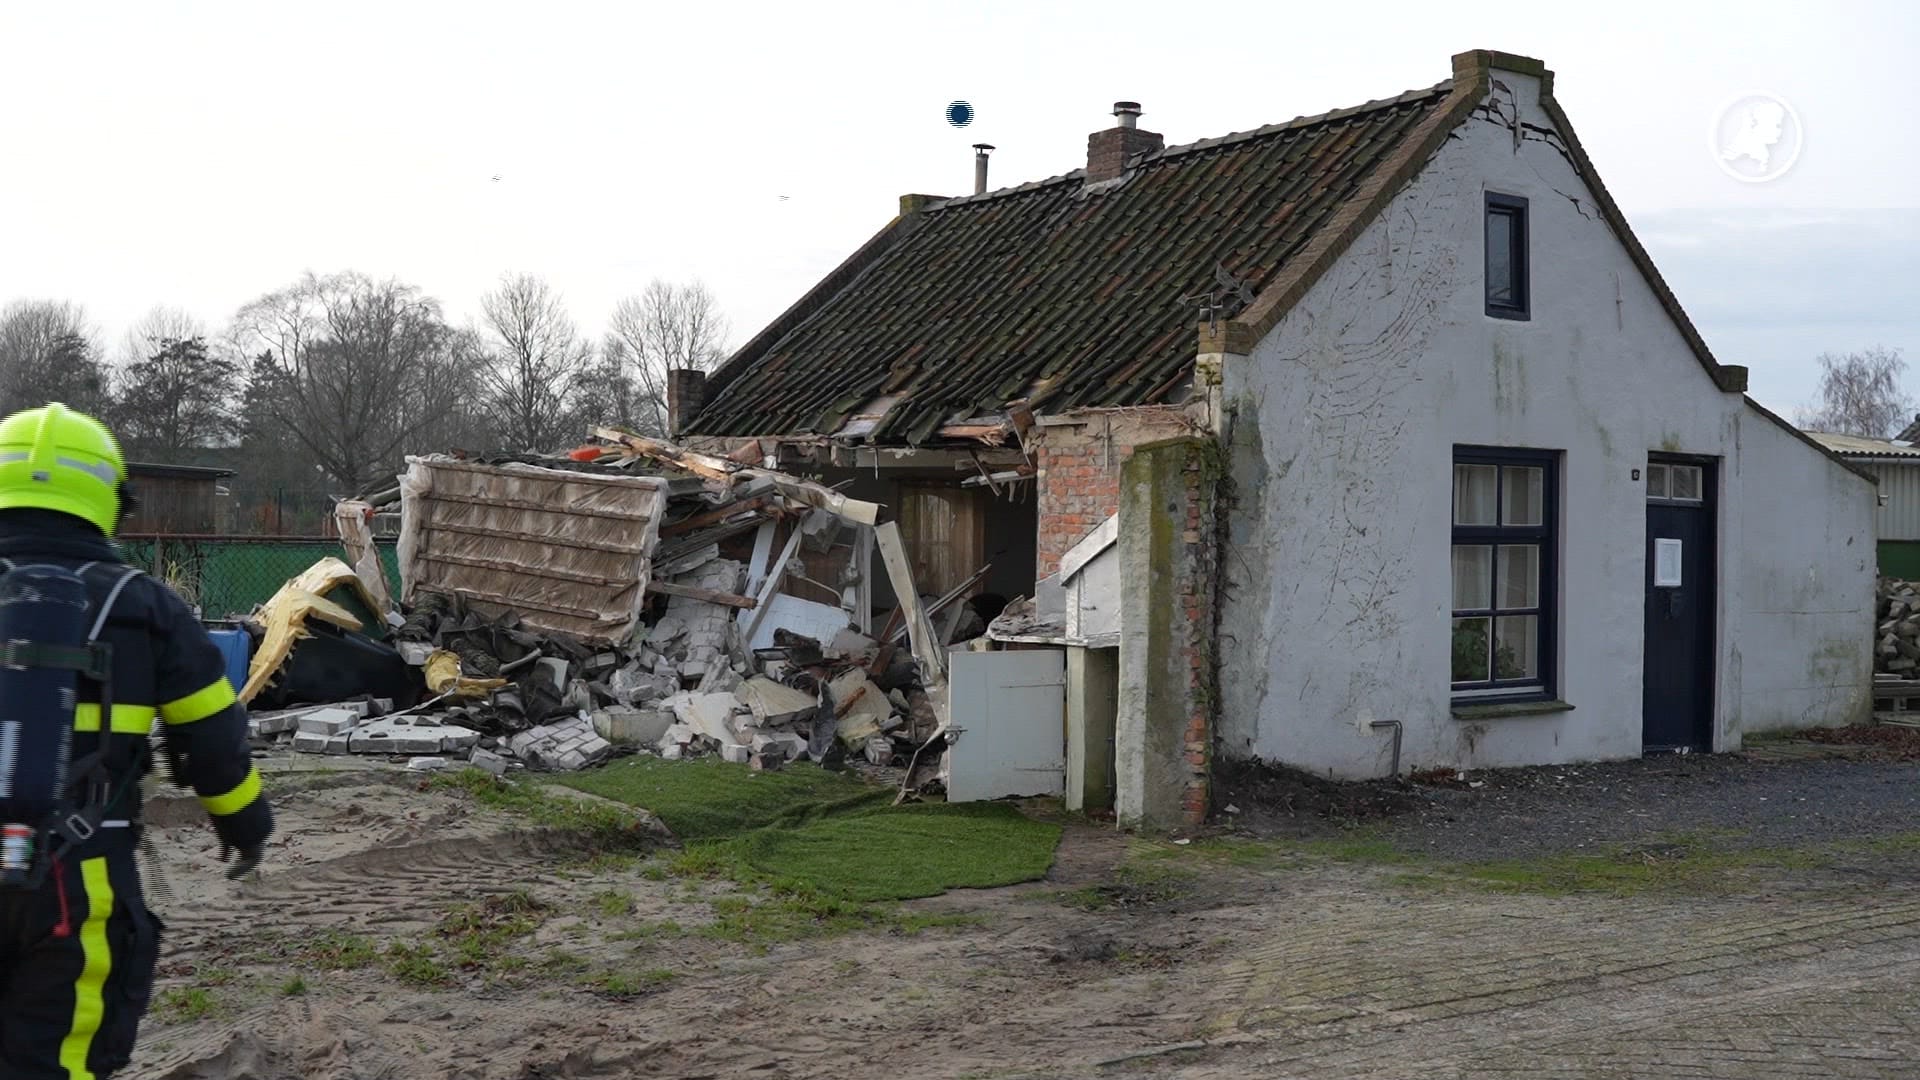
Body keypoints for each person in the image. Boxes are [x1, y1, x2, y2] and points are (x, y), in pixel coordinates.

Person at [0, 402, 273, 1079]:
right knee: (59, 1059)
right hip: (78, 879)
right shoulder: (148, 607)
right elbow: (214, 742)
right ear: (111, 501)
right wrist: (246, 825)